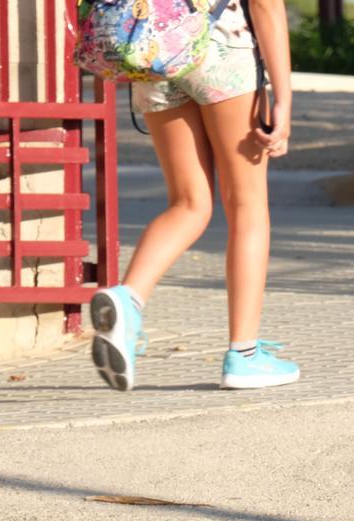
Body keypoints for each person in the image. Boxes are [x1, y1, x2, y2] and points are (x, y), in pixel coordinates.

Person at [90, 0, 299, 391]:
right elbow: (265, 4)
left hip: (153, 52)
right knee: (246, 206)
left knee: (188, 203)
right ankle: (244, 355)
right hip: (222, 50)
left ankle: (128, 300)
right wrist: (284, 99)